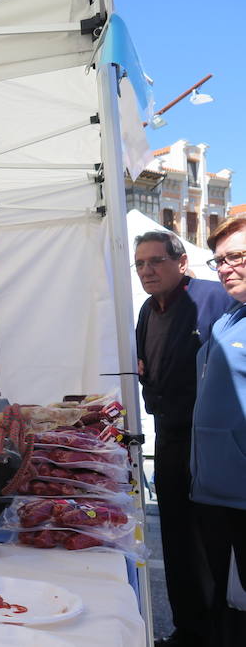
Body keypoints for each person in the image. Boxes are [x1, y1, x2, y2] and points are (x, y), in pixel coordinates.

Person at [133, 230, 230, 647]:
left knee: (214, 540)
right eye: (140, 264)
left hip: (214, 439)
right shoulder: (146, 310)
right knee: (174, 537)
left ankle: (220, 632)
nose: (147, 270)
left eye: (156, 261)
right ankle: (188, 630)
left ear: (181, 263)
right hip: (170, 436)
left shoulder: (215, 297)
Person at [191, 216, 246, 647]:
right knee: (230, 607)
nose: (226, 268)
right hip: (215, 491)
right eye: (220, 260)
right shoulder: (228, 318)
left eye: (238, 256)